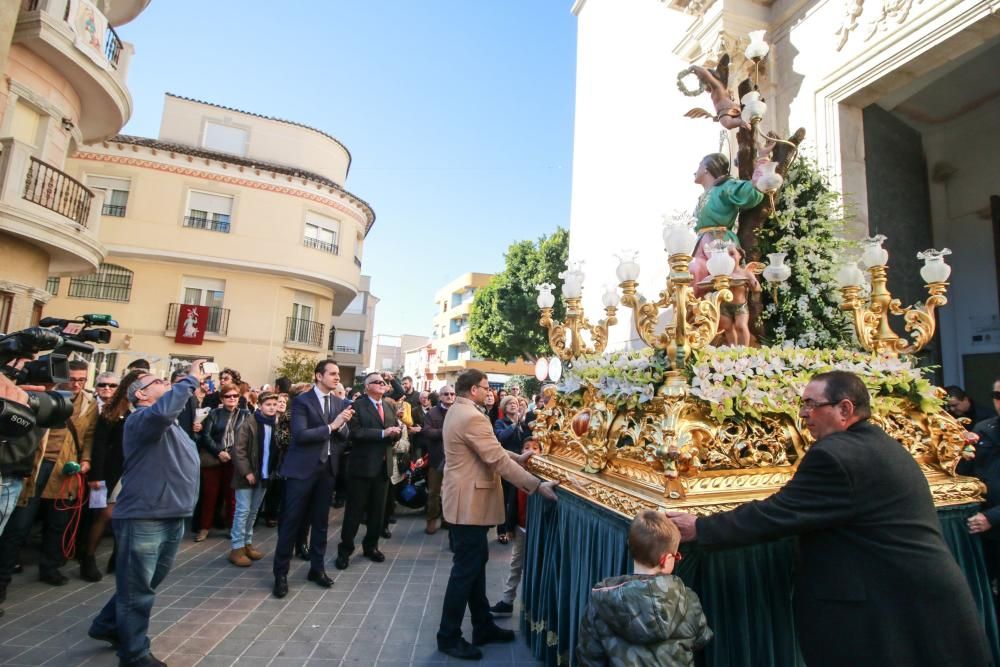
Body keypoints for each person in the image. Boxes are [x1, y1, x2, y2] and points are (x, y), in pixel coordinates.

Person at [666, 370, 990, 667]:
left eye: (811, 405)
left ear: (845, 409)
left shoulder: (835, 456)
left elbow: (778, 514)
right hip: (915, 607)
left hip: (894, 614)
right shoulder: (878, 443)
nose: (803, 414)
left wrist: (700, 527)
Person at [88, 360, 207, 667]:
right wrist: (190, 380)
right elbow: (165, 410)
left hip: (172, 514)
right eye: (158, 382)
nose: (166, 383)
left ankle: (106, 625)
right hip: (145, 517)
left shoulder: (169, 422)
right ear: (140, 395)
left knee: (143, 584)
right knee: (138, 591)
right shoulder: (142, 419)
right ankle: (134, 655)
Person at [436, 369, 560, 661]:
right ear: (473, 390)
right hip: (468, 504)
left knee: (475, 567)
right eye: (484, 386)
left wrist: (520, 457)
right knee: (466, 571)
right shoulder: (472, 416)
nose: (488, 390)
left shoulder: (461, 411)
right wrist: (536, 485)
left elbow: (491, 450)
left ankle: (482, 626)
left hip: (465, 502)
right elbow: (494, 458)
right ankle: (448, 635)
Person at [0, 359, 97, 588]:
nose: (77, 384)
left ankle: (50, 568)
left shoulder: (89, 404)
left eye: (82, 380)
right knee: (19, 524)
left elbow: (90, 435)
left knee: (58, 523)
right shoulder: (42, 398)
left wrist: (86, 459)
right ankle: (4, 575)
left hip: (65, 468)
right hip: (35, 465)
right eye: (72, 379)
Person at [576, 510, 712, 666]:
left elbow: (589, 658)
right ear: (667, 559)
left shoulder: (602, 601)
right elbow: (701, 639)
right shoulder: (689, 600)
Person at [272, 360, 352, 598]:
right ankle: (281, 574)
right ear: (319, 376)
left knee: (321, 523)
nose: (338, 378)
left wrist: (343, 426)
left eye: (339, 374)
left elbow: (342, 437)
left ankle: (317, 569)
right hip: (301, 470)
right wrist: (332, 426)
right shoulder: (302, 401)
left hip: (327, 470)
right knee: (291, 522)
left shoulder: (339, 402)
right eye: (333, 374)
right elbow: (301, 435)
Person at [82, 369, 144, 582]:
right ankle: (88, 558)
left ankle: (118, 557)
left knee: (127, 517)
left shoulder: (147, 410)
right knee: (106, 515)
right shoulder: (112, 410)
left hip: (136, 471)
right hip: (114, 470)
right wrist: (96, 476)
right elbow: (99, 445)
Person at [336, 372, 401, 570]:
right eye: (377, 382)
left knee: (377, 512)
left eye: (384, 382)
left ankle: (371, 546)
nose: (382, 384)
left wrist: (395, 434)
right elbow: (355, 433)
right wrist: (383, 433)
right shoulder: (357, 406)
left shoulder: (389, 405)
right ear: (366, 387)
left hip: (383, 467)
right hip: (362, 467)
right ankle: (345, 550)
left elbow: (393, 431)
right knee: (354, 512)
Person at [489, 439, 544, 618]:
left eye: (536, 448)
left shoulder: (544, 478)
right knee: (516, 564)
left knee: (536, 566)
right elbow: (512, 502)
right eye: (527, 448)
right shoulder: (517, 474)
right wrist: (509, 526)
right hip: (521, 527)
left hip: (537, 529)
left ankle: (534, 604)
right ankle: (507, 600)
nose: (532, 452)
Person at [960, 376, 1000, 608]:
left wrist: (992, 517)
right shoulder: (984, 429)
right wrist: (961, 449)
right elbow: (967, 472)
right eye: (996, 396)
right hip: (983, 529)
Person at [228, 391, 280, 567]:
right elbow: (238, 450)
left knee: (253, 511)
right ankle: (236, 548)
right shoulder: (248, 423)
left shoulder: (276, 424)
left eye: (274, 404)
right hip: (248, 476)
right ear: (259, 406)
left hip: (265, 475)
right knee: (242, 511)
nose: (272, 407)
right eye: (268, 405)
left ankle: (247, 544)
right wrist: (247, 472)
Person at [194, 383, 249, 542]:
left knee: (231, 496)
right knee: (209, 495)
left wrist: (231, 453)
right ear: (221, 398)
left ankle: (232, 527)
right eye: (227, 396)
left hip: (235, 460)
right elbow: (206, 435)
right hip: (213, 459)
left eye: (235, 396)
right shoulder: (214, 413)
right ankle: (204, 527)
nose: (231, 399)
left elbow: (246, 437)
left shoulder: (245, 414)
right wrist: (219, 451)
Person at [420, 384, 454, 535]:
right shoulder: (432, 413)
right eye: (446, 394)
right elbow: (427, 432)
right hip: (437, 458)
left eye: (452, 394)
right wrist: (446, 431)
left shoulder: (457, 412)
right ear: (440, 396)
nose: (449, 396)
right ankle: (431, 519)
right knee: (434, 492)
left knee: (450, 491)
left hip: (455, 459)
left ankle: (447, 519)